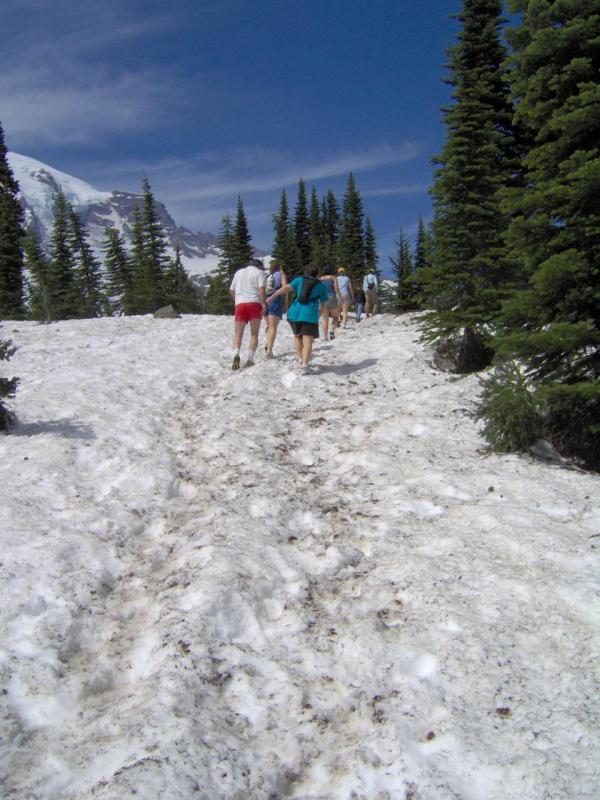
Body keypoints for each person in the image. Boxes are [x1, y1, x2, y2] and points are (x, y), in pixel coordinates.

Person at [267, 263, 329, 371]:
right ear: (317, 274)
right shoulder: (320, 285)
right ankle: (305, 364)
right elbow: (324, 305)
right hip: (309, 314)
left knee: (297, 336)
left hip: (294, 313)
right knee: (308, 340)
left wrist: (272, 296)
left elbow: (285, 288)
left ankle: (300, 358)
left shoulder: (299, 280)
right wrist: (319, 315)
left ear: (306, 272)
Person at [229, 258, 266, 369]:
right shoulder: (260, 273)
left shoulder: (239, 272)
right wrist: (264, 303)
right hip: (254, 303)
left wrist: (237, 299)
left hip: (240, 304)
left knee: (238, 333)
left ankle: (236, 354)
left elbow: (231, 289)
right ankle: (250, 359)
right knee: (254, 333)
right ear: (259, 266)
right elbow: (261, 290)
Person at [264, 260, 288, 358]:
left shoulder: (267, 275)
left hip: (265, 300)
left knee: (268, 325)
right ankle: (269, 350)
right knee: (273, 326)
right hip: (275, 300)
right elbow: (285, 288)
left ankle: (267, 342)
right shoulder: (281, 274)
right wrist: (286, 302)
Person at [319, 266, 342, 340]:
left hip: (323, 299)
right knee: (335, 316)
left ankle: (325, 337)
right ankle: (332, 330)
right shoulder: (333, 277)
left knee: (325, 319)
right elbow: (336, 288)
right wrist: (340, 298)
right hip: (332, 297)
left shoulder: (319, 279)